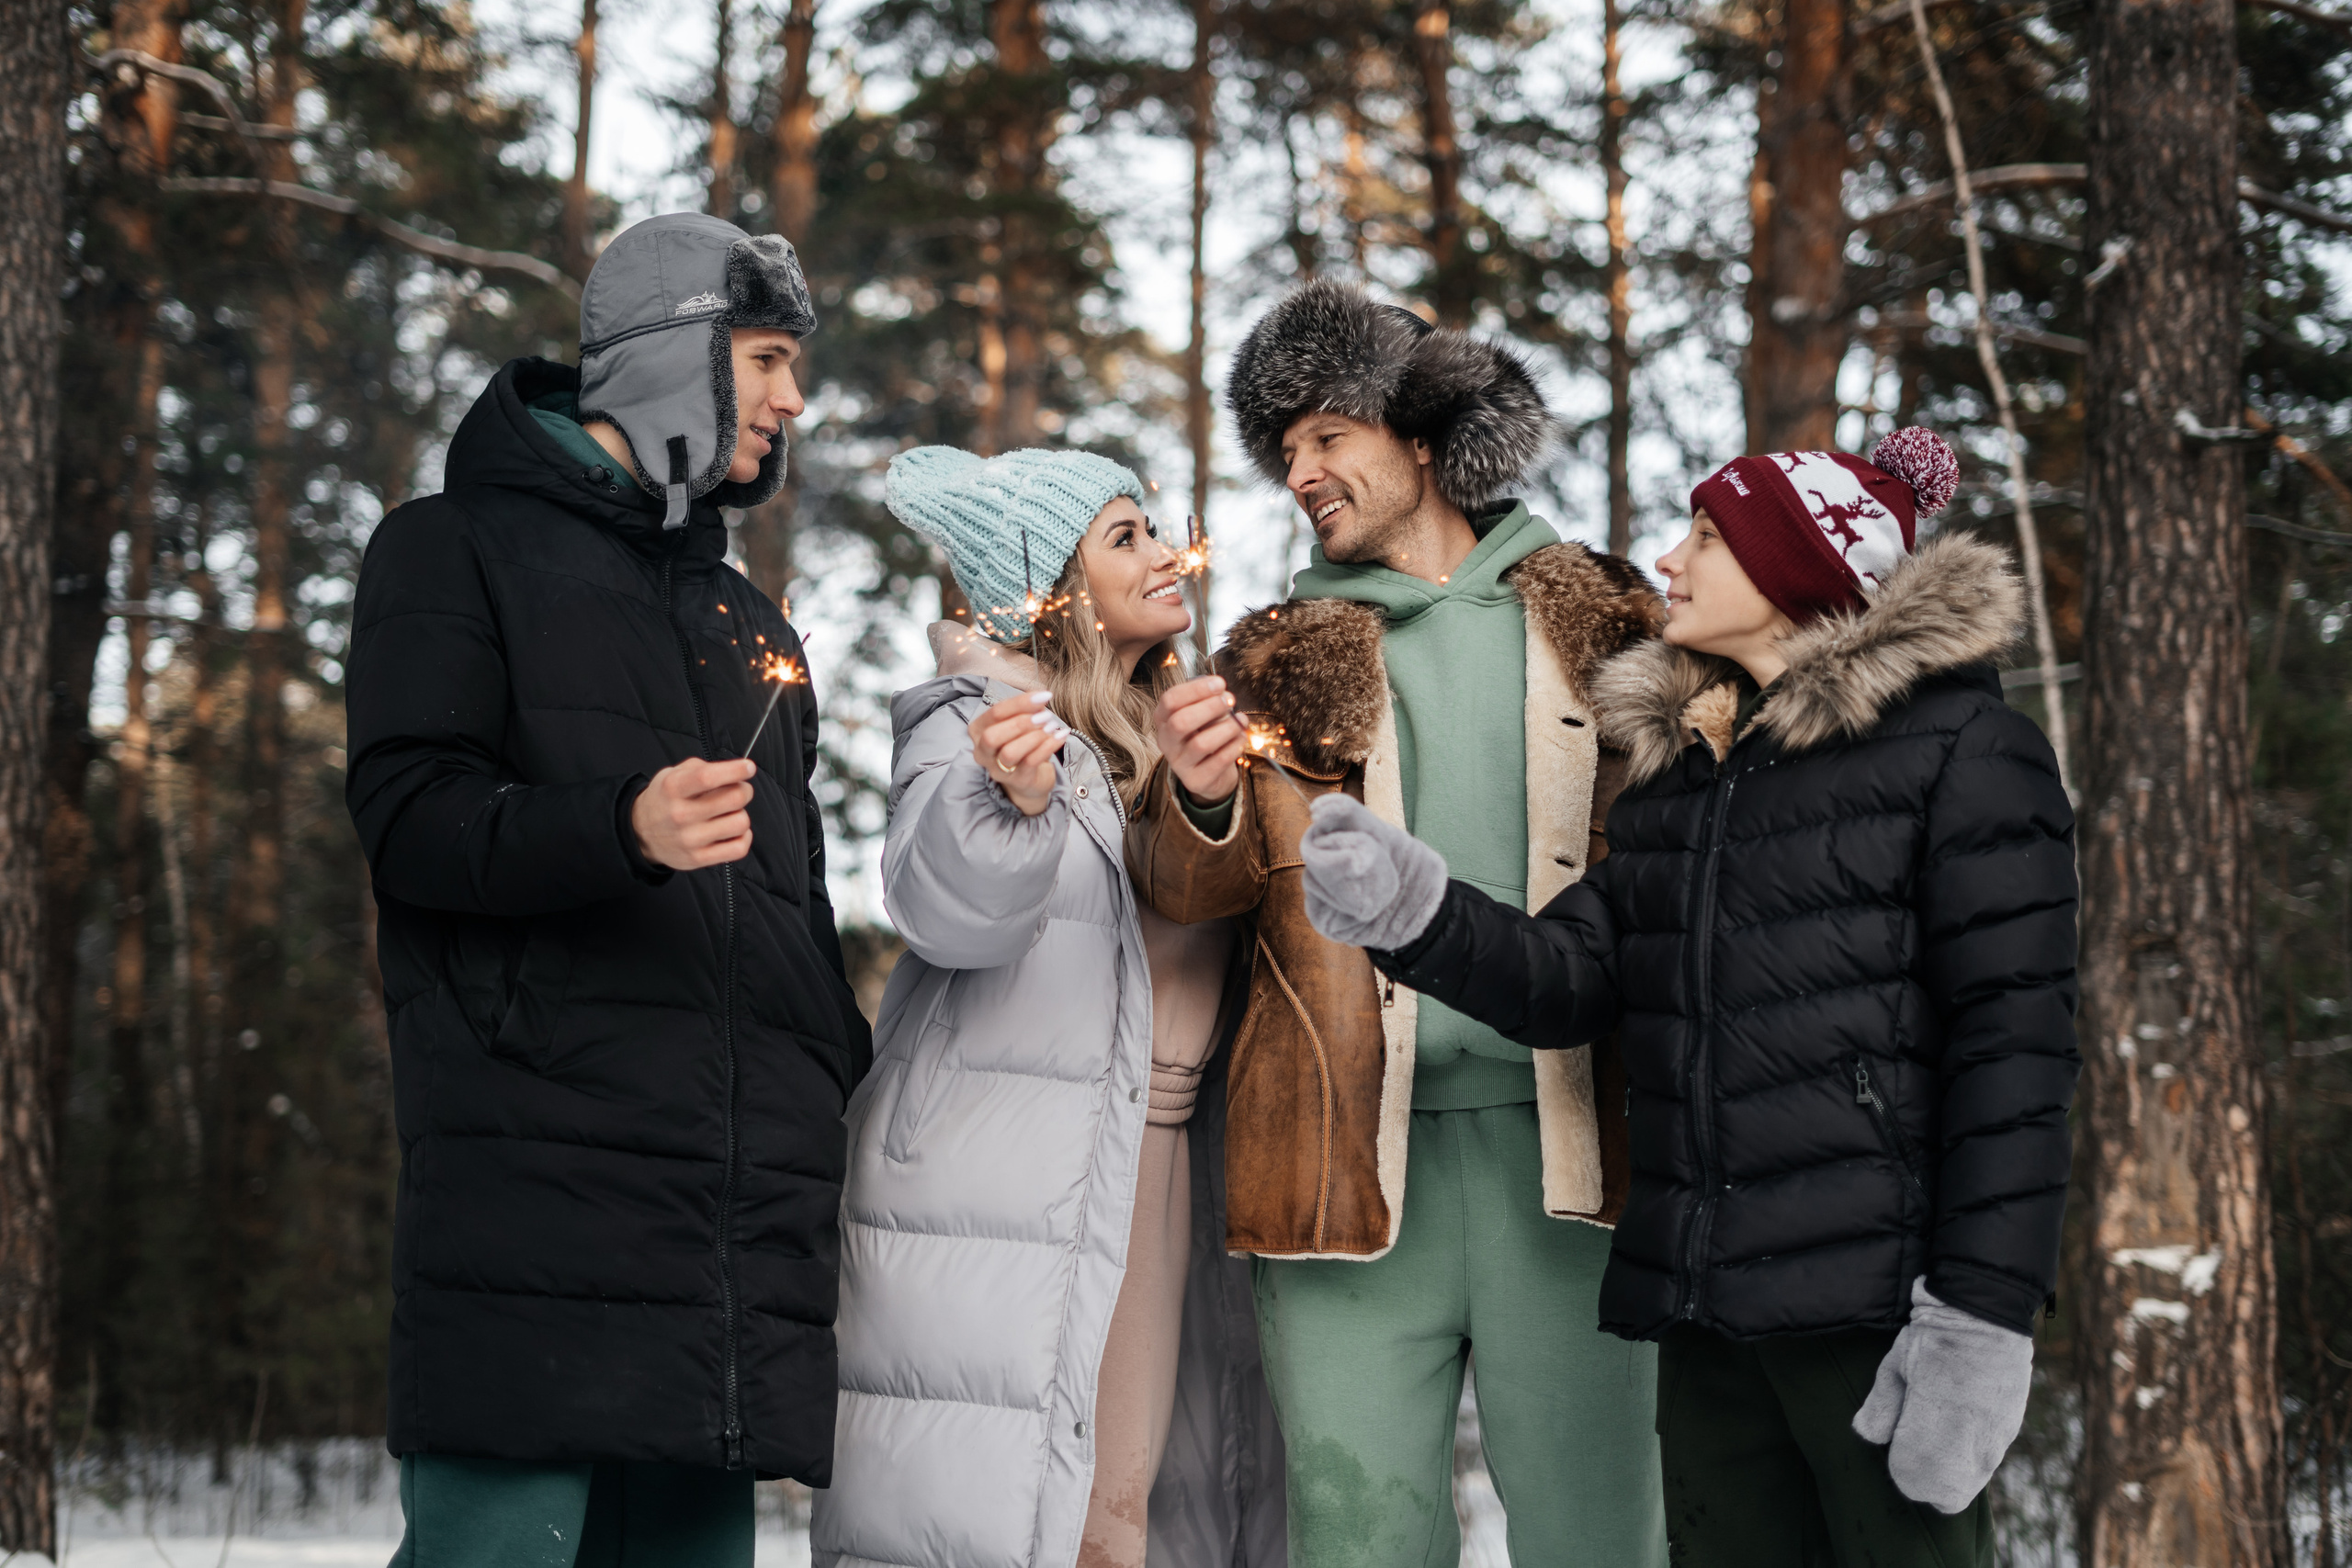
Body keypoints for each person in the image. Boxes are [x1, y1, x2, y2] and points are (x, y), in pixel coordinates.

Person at [1295, 429, 2081, 1565]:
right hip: (1704, 1316)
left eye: (1706, 538)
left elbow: (2016, 1061)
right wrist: (1415, 911)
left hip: (1874, 1319)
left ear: (1794, 570)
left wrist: (1980, 1316)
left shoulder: (1965, 753)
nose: (1666, 560)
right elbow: (1568, 978)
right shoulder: (1688, 779)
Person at [346, 211, 872, 1567]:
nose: (791, 399)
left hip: (725, 1241)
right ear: (668, 356)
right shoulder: (445, 547)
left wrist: (839, 1073)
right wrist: (618, 826)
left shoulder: (747, 621)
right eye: (763, 358)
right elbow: (410, 823)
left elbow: (793, 914)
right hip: (535, 1203)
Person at [1132, 278, 1668, 1567]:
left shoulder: (1606, 614)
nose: (1300, 472)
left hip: (1578, 1160)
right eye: (1284, 449)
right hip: (1337, 1168)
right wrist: (1193, 802)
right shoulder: (1266, 656)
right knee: (1356, 1539)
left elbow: (1689, 864)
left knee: (1604, 1538)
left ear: (1421, 437)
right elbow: (1192, 895)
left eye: (1327, 435)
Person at [811, 447, 1285, 1568]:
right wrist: (1008, 806)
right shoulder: (975, 727)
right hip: (1010, 1177)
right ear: (1052, 582)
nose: (1166, 554)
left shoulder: (1189, 726)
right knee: (1033, 1525)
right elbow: (946, 914)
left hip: (1161, 1164)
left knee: (1127, 1518)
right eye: (1124, 536)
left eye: (1155, 528)